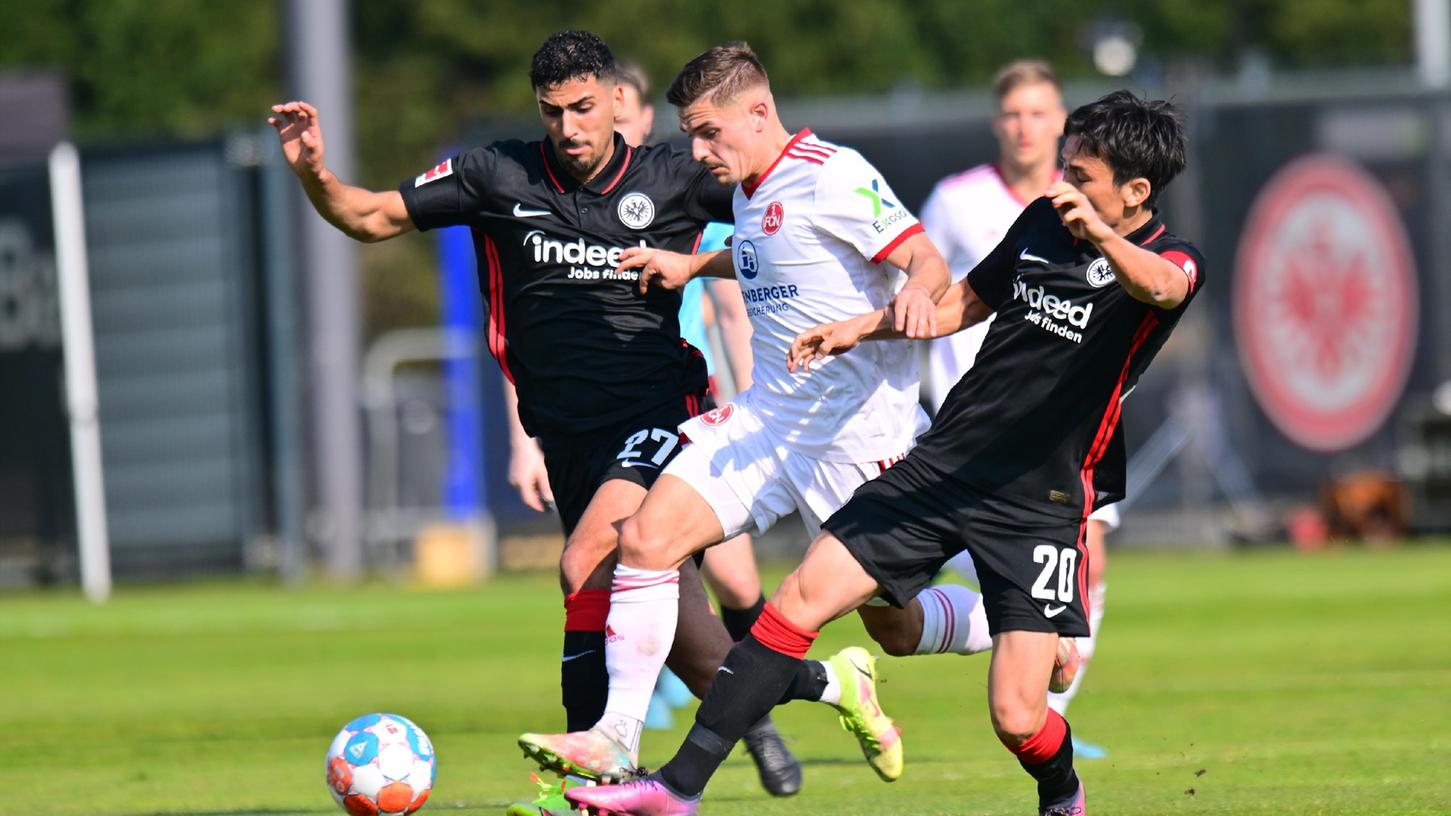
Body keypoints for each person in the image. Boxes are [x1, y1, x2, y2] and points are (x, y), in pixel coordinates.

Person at [570, 88, 1202, 816]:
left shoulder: (1170, 261)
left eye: (1080, 178)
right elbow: (962, 303)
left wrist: (1100, 234)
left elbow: (1158, 287)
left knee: (1017, 719)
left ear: (1135, 191)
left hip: (1041, 500)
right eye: (1063, 170)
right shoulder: (1042, 224)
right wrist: (860, 327)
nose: (1062, 188)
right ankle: (675, 789)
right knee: (798, 599)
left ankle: (1061, 793)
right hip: (945, 462)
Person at [265, 28, 799, 806]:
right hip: (568, 438)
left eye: (584, 107)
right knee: (692, 642)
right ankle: (823, 686)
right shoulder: (495, 174)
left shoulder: (672, 176)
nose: (570, 127)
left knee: (584, 563)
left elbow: (777, 209)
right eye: (554, 112)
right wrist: (315, 171)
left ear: (618, 100)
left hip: (659, 411)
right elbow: (370, 217)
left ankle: (593, 781)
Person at [518, 40, 949, 789]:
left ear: (758, 112)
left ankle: (1019, 623)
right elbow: (765, 250)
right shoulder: (748, 185)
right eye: (689, 132)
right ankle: (616, 735)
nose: (696, 149)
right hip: (767, 420)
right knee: (645, 539)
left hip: (856, 440)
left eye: (708, 131)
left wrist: (914, 291)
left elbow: (926, 259)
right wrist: (690, 263)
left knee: (898, 628)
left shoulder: (833, 175)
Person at [918, 59, 1115, 758]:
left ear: (1063, 123)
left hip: (1063, 432)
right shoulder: (955, 199)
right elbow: (929, 291)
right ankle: (1020, 660)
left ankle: (1048, 716)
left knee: (1086, 554)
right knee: (993, 575)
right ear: (994, 122)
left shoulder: (1097, 207)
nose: (1024, 127)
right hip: (970, 426)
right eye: (1011, 113)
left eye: (1038, 113)